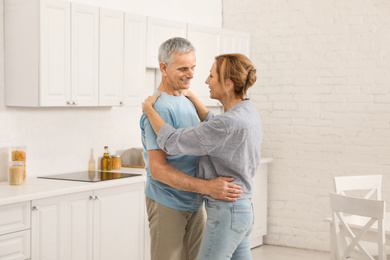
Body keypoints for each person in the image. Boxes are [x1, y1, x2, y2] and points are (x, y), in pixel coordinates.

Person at [142, 53, 262, 260]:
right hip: (243, 210)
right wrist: (193, 97)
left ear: (228, 84)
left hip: (226, 213)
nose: (206, 80)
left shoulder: (226, 124)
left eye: (211, 76)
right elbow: (216, 126)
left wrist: (149, 110)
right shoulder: (248, 113)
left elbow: (171, 141)